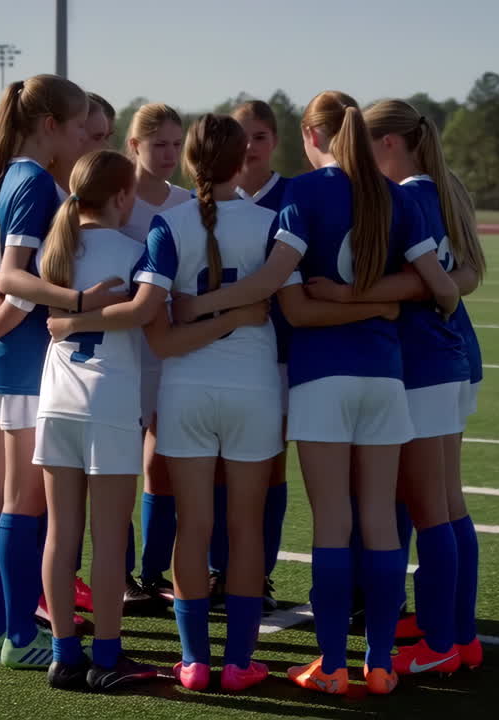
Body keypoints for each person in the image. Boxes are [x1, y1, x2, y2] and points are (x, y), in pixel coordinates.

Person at [173, 90, 458, 695]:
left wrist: (204, 304)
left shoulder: (301, 194)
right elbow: (445, 290)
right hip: (384, 377)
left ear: (313, 138)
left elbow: (286, 297)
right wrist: (376, 300)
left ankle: (330, 664)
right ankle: (378, 663)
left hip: (321, 377)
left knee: (333, 521)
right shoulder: (395, 196)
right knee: (380, 521)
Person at [308, 98, 485, 675]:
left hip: (424, 362)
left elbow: (424, 284)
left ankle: (441, 644)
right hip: (450, 358)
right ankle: (458, 632)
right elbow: (466, 275)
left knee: (434, 509)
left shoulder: (410, 196)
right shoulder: (444, 187)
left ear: (386, 143)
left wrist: (338, 295)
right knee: (445, 504)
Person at [133, 114, 280, 692]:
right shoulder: (274, 222)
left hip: (186, 390)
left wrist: (211, 314)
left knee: (191, 527)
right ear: (243, 157)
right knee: (244, 529)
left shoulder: (167, 226)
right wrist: (239, 316)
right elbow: (285, 309)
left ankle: (194, 662)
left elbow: (162, 338)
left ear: (190, 161)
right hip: (255, 390)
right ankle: (240, 663)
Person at [0, 72, 92, 670]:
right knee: (23, 501)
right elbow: (12, 274)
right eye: (78, 128)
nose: (83, 139)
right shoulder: (36, 182)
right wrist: (23, 306)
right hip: (18, 358)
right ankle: (20, 637)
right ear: (51, 127)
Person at [35, 150, 162, 691]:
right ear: (121, 197)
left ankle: (64, 656)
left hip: (56, 400)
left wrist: (71, 320)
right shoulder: (137, 250)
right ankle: (107, 658)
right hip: (108, 404)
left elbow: (48, 319)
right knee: (109, 541)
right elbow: (152, 320)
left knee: (61, 536)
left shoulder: (56, 249)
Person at [206, 100, 292, 612]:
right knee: (217, 465)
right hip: (215, 355)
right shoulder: (208, 202)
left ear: (274, 141)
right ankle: (220, 570)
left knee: (271, 467)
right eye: (241, 136)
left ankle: (258, 571)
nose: (250, 147)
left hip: (275, 352)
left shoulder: (292, 197)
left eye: (259, 136)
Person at [116, 102, 192, 607]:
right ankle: (120, 576)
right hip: (122, 350)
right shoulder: (112, 203)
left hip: (172, 352)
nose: (168, 154)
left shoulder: (188, 203)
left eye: (175, 143)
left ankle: (154, 572)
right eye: (158, 143)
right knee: (119, 465)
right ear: (134, 146)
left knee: (163, 461)